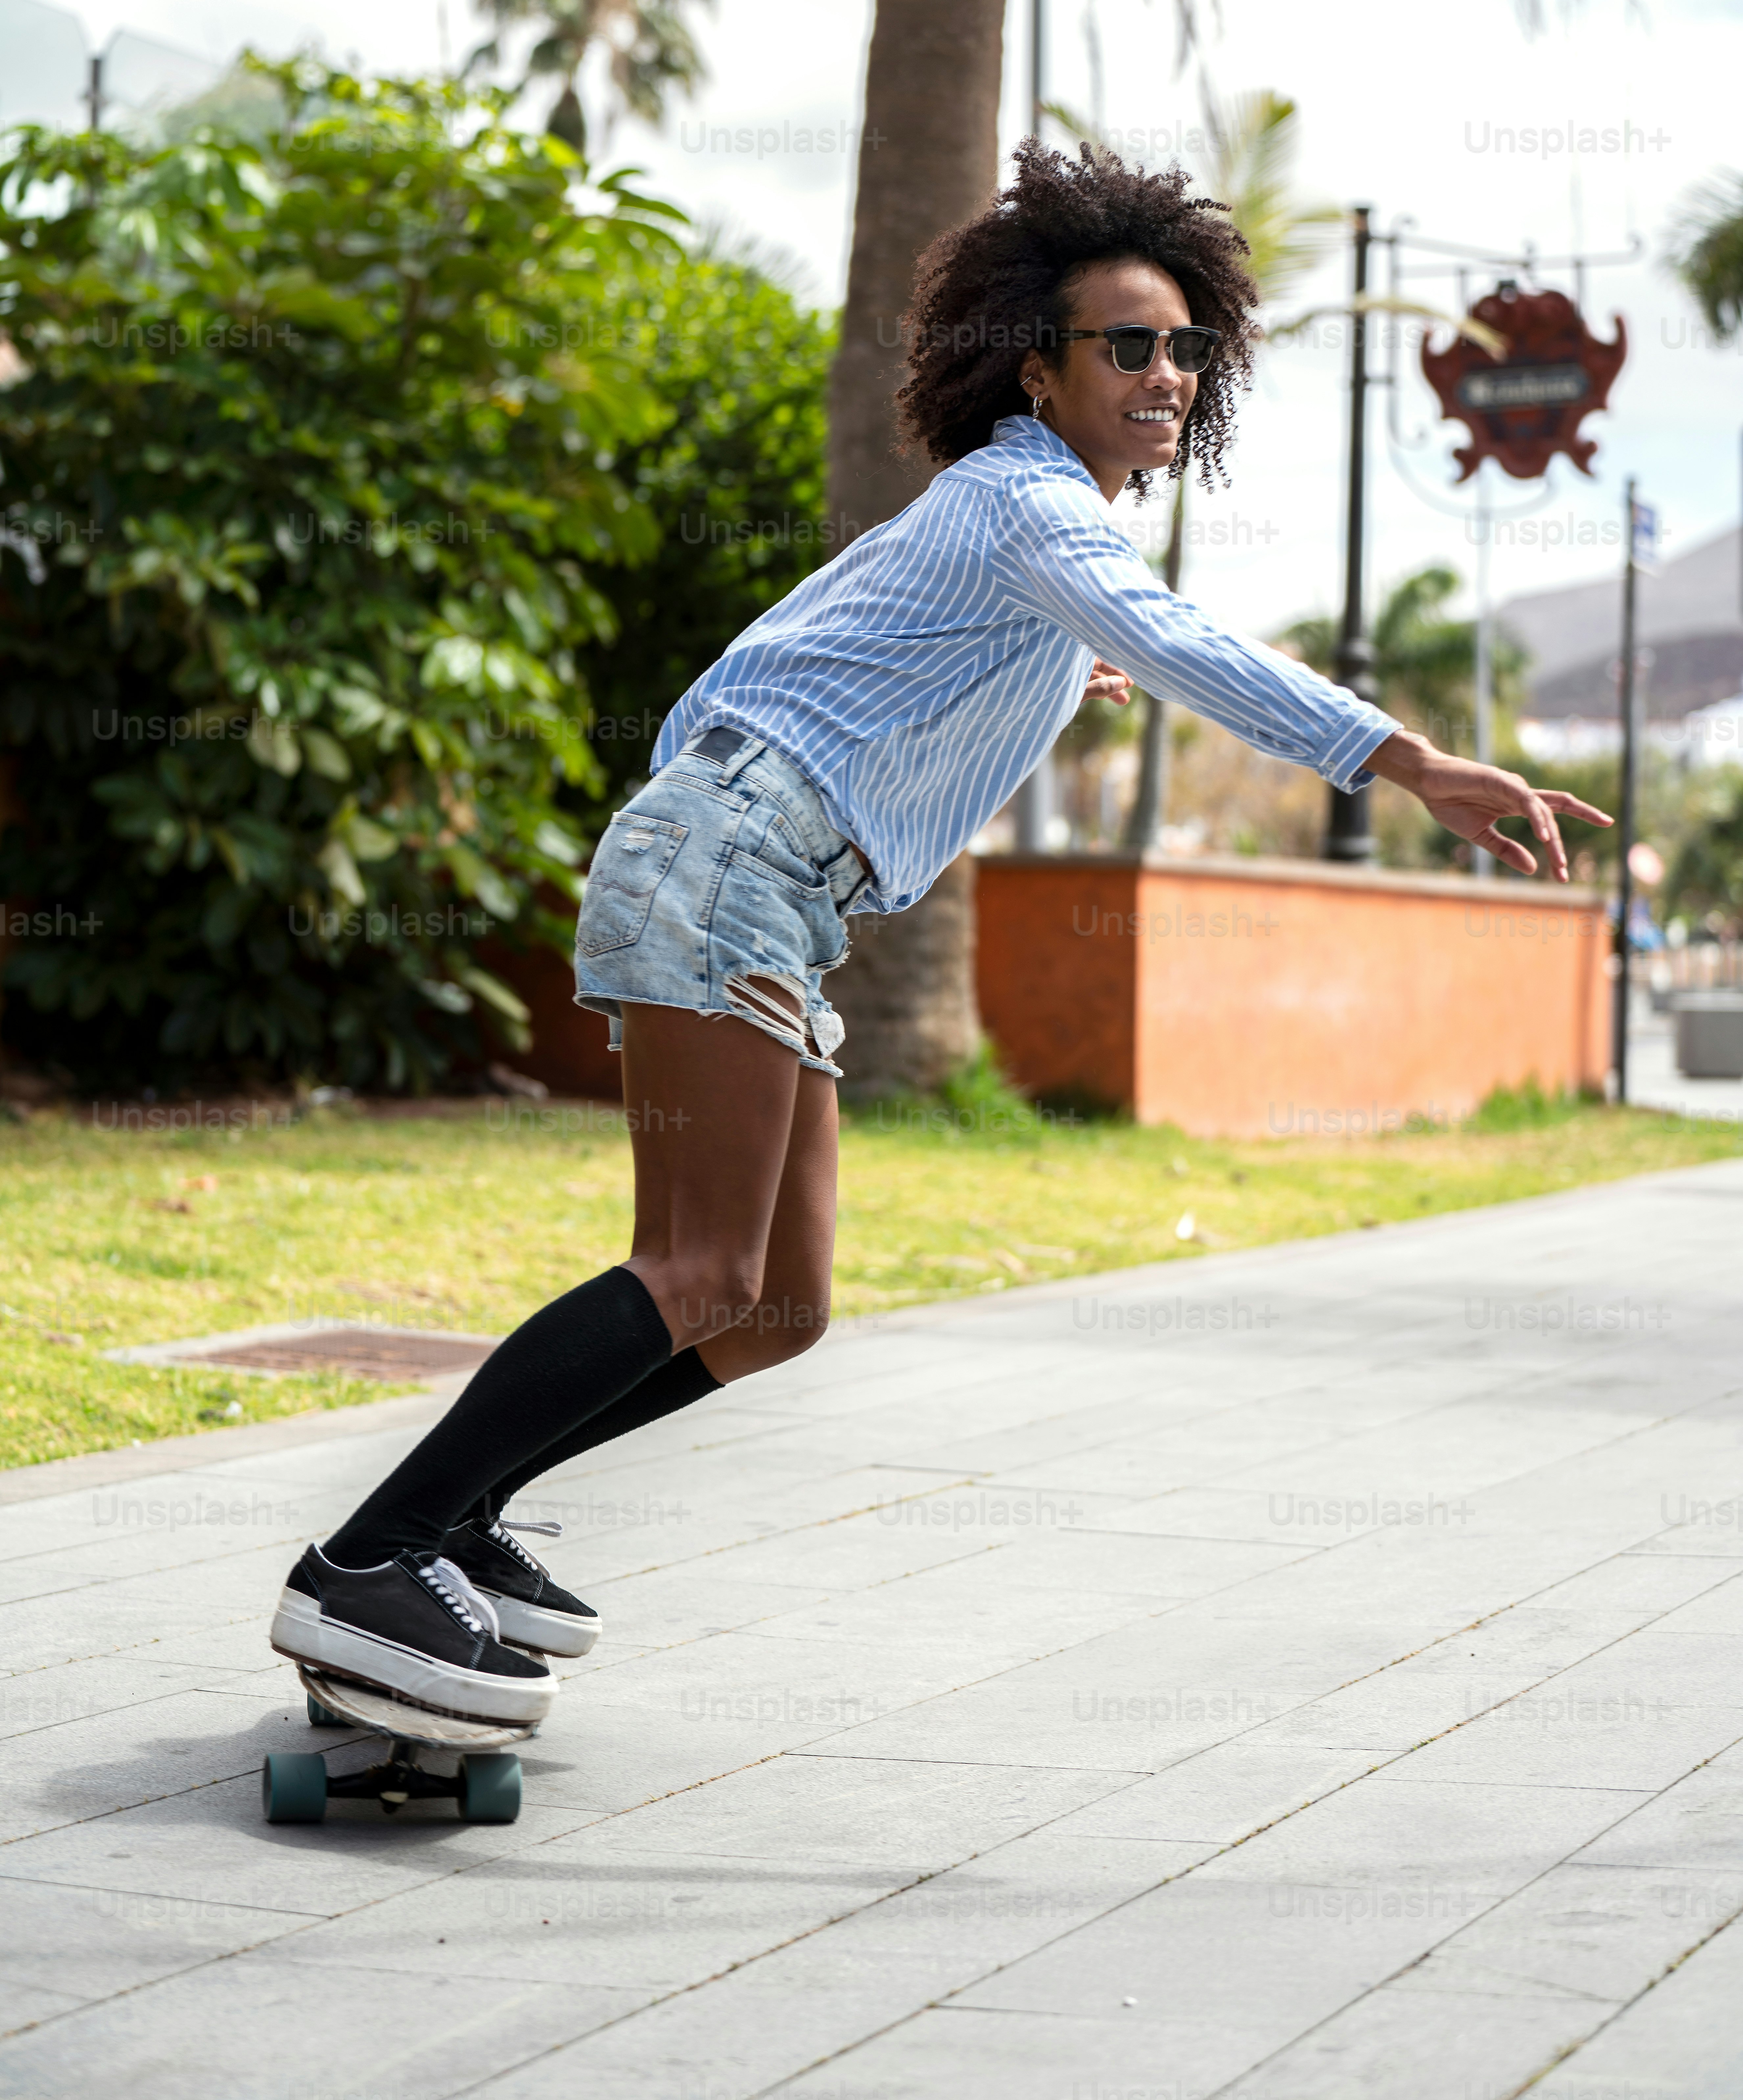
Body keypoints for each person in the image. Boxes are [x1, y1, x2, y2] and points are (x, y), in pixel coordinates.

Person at [271, 143, 1610, 1714]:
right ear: (1038, 369)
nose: (1165, 370)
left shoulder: (1029, 532)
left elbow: (807, 664)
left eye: (1187, 345)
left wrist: (1047, 671)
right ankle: (377, 1551)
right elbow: (1176, 637)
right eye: (1127, 342)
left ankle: (450, 1518)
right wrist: (1407, 759)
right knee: (699, 1266)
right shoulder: (1027, 499)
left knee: (775, 1304)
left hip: (764, 877)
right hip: (736, 865)